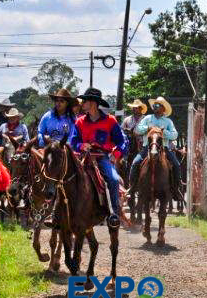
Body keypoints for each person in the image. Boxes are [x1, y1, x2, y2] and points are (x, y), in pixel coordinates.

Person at [70, 87, 127, 228]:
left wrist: (116, 154)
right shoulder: (79, 122)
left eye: (85, 101)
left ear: (93, 103)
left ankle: (114, 214)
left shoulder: (110, 121)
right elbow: (73, 142)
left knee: (113, 179)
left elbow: (122, 142)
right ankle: (58, 213)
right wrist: (81, 145)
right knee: (63, 176)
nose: (82, 103)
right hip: (82, 157)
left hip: (102, 157)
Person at [129, 96, 182, 202]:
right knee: (135, 163)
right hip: (147, 148)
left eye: (157, 105)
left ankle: (176, 189)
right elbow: (138, 130)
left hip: (164, 149)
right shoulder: (147, 118)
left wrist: (163, 132)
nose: (155, 107)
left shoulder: (168, 121)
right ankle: (132, 188)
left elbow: (174, 135)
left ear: (163, 108)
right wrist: (148, 128)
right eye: (154, 105)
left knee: (176, 165)